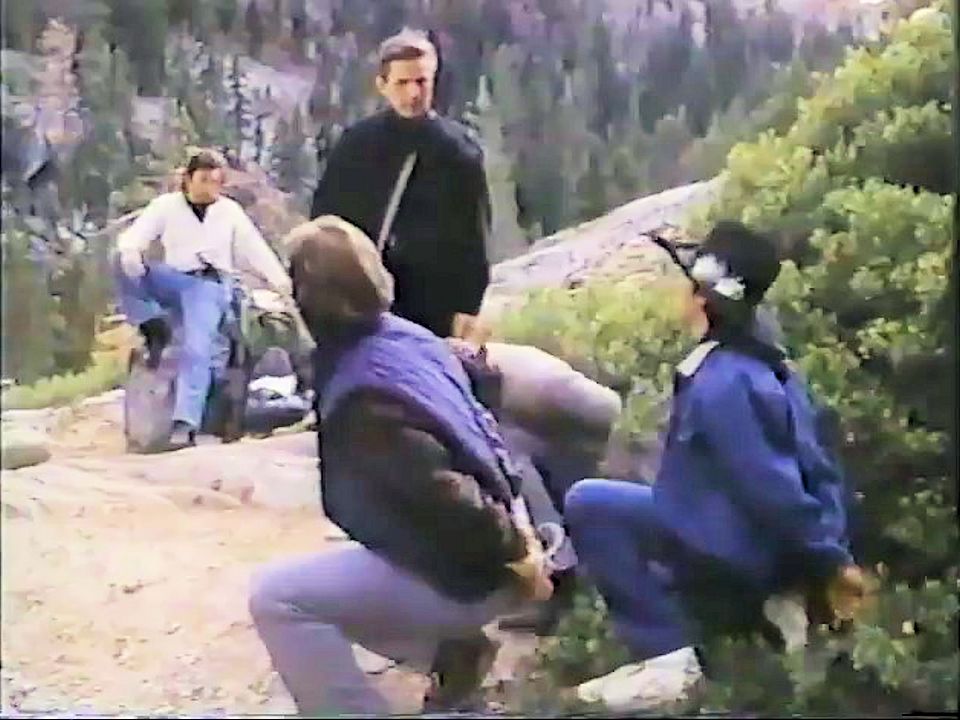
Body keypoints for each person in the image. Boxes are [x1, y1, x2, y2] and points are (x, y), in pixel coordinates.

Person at [249, 216, 553, 715]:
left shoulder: (367, 401)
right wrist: (521, 523)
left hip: (484, 571)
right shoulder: (409, 337)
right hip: (499, 539)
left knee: (278, 599)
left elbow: (449, 496)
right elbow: (483, 419)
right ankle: (452, 653)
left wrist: (519, 555)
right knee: (364, 550)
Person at [562, 221, 868, 711]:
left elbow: (771, 487)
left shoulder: (721, 382)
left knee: (590, 504)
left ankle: (669, 659)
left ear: (703, 300)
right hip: (759, 543)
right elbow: (815, 468)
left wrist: (828, 563)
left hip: (733, 553)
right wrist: (831, 549)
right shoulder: (769, 365)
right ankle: (764, 612)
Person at [310, 28, 492, 339]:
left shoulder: (458, 152)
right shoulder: (356, 146)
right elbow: (325, 221)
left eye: (421, 81)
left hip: (430, 306)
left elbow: (473, 239)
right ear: (382, 85)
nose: (413, 93)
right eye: (402, 83)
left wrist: (467, 308)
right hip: (361, 299)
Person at [114, 149, 292, 447]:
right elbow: (134, 238)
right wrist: (131, 254)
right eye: (204, 180)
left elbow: (255, 250)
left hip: (208, 285)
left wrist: (281, 282)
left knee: (197, 348)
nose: (211, 188)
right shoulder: (167, 205)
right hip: (173, 277)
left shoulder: (229, 211)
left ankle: (185, 424)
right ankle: (151, 323)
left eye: (216, 182)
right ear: (188, 179)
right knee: (119, 260)